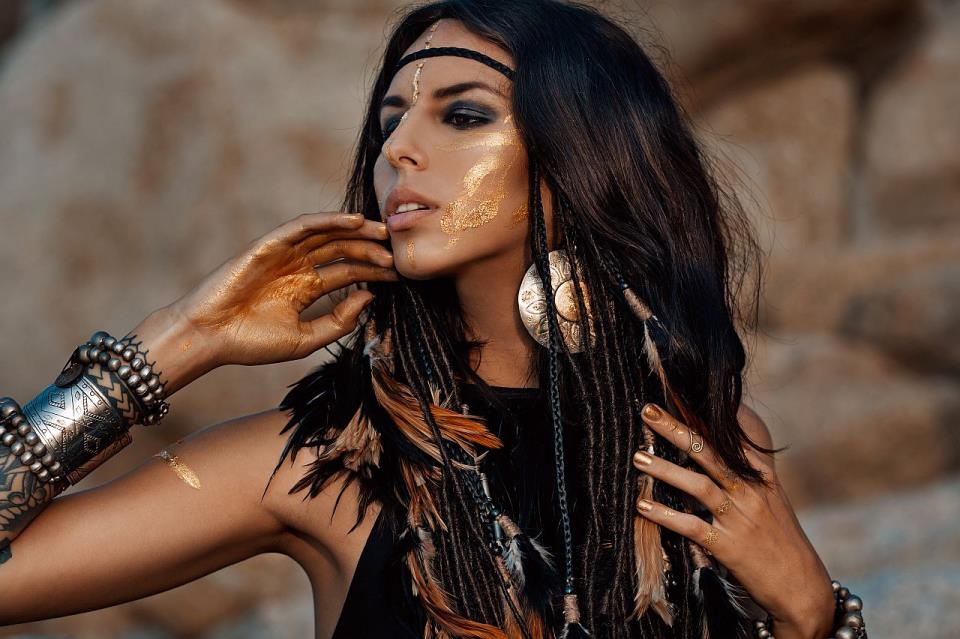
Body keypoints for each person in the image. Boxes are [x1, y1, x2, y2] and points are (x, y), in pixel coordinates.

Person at [0, 1, 870, 638]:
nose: (396, 149)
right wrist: (179, 340)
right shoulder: (326, 458)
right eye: (389, 122)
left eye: (462, 114)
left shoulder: (703, 449)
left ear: (579, 155)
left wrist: (811, 612)